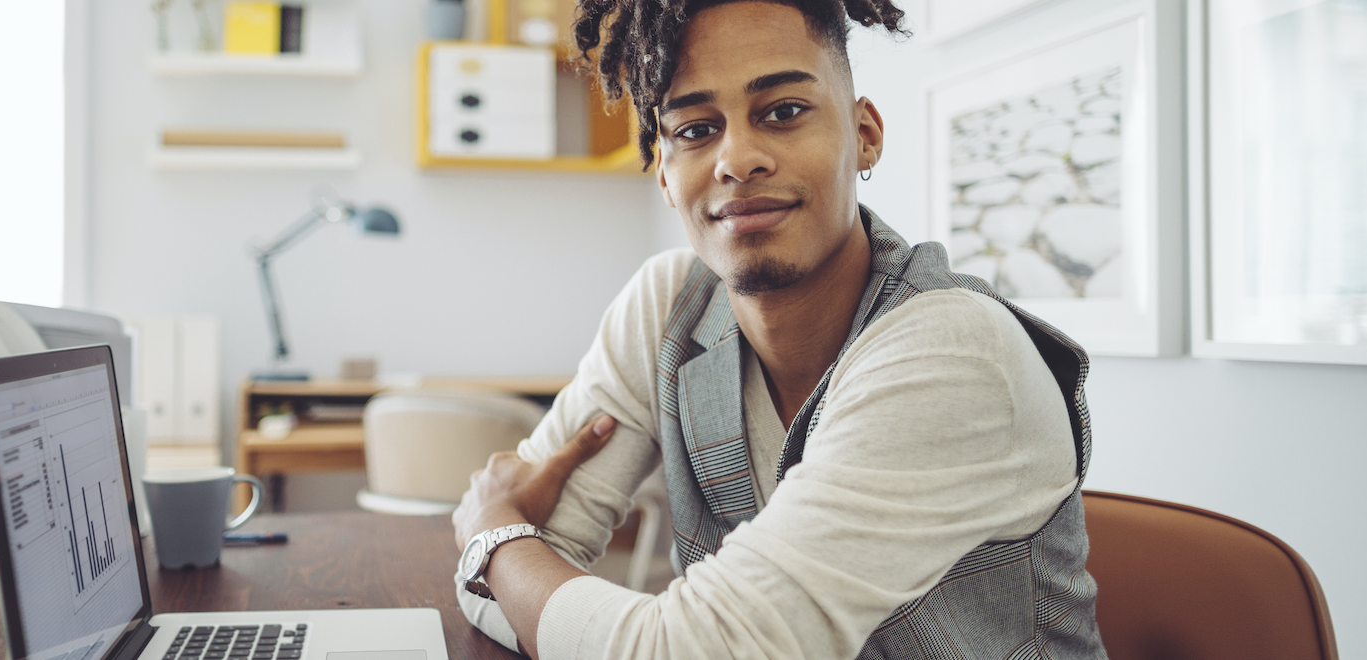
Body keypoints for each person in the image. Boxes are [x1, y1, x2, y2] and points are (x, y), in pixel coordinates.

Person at [450, 0, 1108, 658]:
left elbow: (678, 648)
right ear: (665, 175)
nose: (737, 160)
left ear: (864, 134)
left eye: (784, 111)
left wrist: (493, 535)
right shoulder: (668, 306)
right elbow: (490, 590)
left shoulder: (955, 351)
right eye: (696, 129)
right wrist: (509, 553)